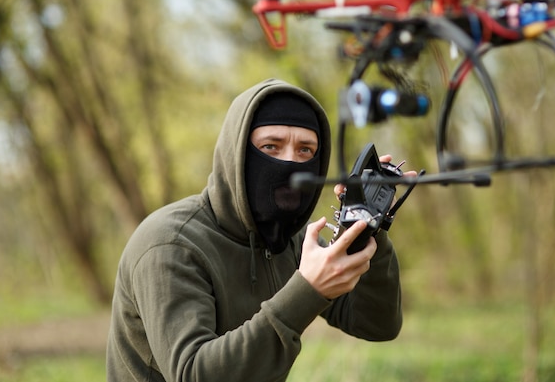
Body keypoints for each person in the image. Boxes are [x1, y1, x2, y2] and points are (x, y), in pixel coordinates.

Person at [106, 78, 403, 382]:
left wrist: (366, 226)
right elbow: (193, 374)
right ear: (238, 156)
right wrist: (307, 290)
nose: (290, 162)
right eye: (271, 146)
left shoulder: (290, 240)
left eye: (305, 150)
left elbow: (376, 323)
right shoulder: (169, 243)